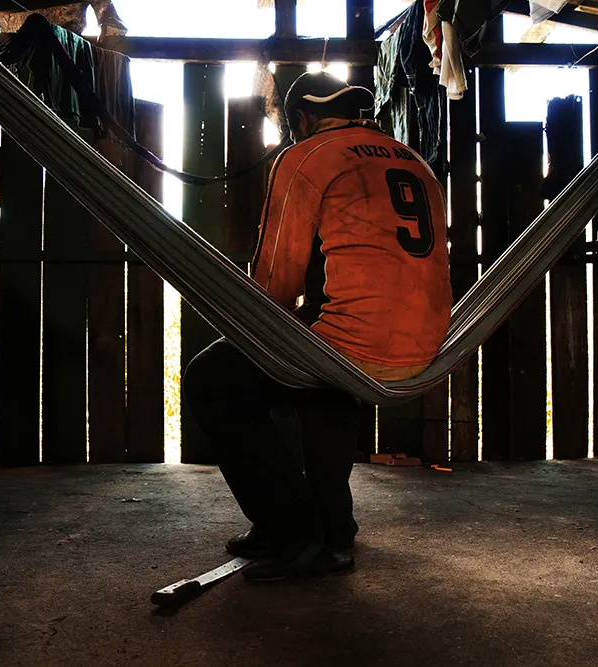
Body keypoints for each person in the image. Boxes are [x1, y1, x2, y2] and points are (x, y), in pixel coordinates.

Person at [183, 72, 452, 583]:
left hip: (357, 345)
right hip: (427, 345)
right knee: (322, 372)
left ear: (301, 119)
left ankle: (294, 534)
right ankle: (332, 523)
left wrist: (251, 329)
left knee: (212, 379)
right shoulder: (413, 159)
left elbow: (274, 283)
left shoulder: (307, 155)